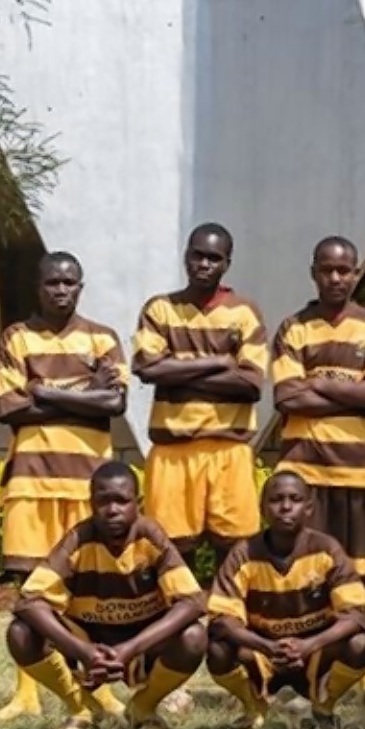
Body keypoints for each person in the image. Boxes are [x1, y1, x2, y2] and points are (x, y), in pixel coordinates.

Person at [0, 251, 130, 722]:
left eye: (70, 282)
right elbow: (10, 408)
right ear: (39, 286)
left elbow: (114, 403)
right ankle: (26, 694)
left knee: (87, 592)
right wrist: (83, 393)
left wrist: (45, 390)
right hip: (31, 481)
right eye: (52, 282)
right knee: (29, 588)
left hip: (89, 486)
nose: (61, 290)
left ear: (81, 287)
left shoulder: (102, 338)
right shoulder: (16, 336)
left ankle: (99, 692)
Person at [269, 236, 365, 707]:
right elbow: (287, 397)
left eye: (344, 270)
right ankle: (312, 675)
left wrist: (319, 382)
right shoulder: (293, 328)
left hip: (364, 470)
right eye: (327, 269)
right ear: (314, 271)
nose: (336, 278)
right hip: (307, 470)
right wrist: (351, 390)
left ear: (356, 273)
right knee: (313, 575)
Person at [7, 462, 208, 729]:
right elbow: (28, 601)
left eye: (122, 501)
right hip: (89, 642)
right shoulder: (79, 538)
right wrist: (82, 651)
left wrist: (130, 649)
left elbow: (193, 602)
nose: (112, 509)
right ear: (91, 504)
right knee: (20, 632)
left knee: (194, 636)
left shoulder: (150, 536)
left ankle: (143, 708)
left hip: (141, 643)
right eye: (103, 501)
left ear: (137, 503)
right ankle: (82, 711)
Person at [131, 222, 266, 566]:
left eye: (213, 258)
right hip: (173, 449)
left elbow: (250, 385)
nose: (204, 264)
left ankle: (226, 618)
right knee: (173, 551)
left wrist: (178, 372)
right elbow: (147, 369)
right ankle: (182, 619)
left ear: (226, 264)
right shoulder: (160, 309)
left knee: (234, 550)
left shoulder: (244, 312)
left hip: (229, 448)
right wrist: (219, 362)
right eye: (197, 255)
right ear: (186, 257)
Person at [204, 472, 365, 729]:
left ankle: (323, 709)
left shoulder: (327, 549)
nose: (285, 507)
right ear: (262, 508)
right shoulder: (243, 553)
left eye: (294, 499)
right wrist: (267, 646)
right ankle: (254, 710)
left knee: (359, 644)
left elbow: (356, 615)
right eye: (276, 500)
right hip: (262, 656)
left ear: (308, 507)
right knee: (217, 649)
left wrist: (308, 645)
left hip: (315, 655)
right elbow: (221, 620)